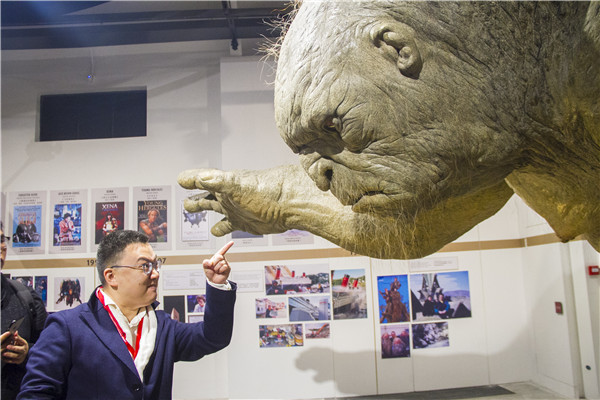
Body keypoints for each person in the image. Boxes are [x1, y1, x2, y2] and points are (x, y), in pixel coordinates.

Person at [18, 230, 236, 400]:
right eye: (145, 266)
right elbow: (36, 393)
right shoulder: (68, 327)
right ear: (112, 276)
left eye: (156, 264)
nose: (156, 273)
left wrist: (217, 285)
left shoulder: (163, 326)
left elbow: (213, 337)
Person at [0, 221, 47, 400]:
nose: (0, 247)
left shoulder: (25, 295)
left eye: (1, 239)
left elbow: (49, 351)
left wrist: (27, 352)